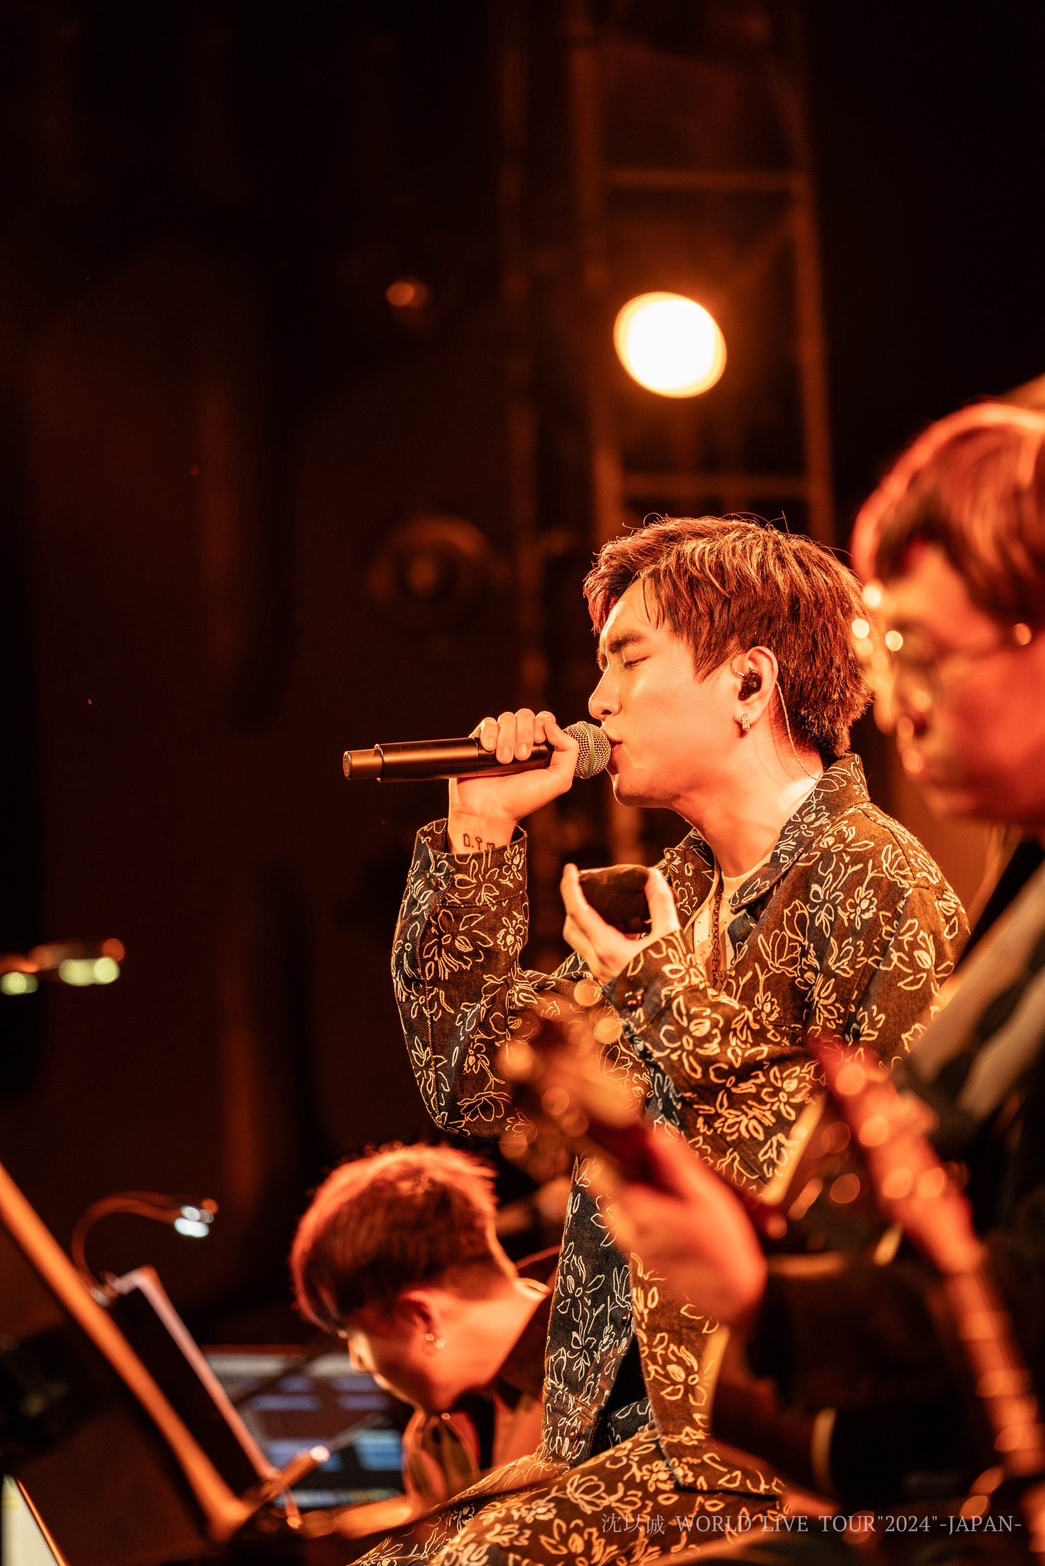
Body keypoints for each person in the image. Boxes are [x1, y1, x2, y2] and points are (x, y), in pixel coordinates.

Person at [387, 515, 966, 1564]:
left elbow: (876, 1207)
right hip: (611, 1439)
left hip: (754, 1451)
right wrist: (480, 833)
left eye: (628, 658)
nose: (597, 700)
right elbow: (468, 1081)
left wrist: (658, 992)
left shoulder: (876, 881)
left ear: (748, 684)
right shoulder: (679, 893)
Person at [600, 399, 1045, 1555]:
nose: (895, 700)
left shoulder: (874, 876)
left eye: (924, 653)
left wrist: (765, 1300)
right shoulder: (1022, 886)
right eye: (884, 654)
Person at [290, 1144, 555, 1508]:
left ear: (421, 1316)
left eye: (354, 1335)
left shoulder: (619, 1355)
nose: (358, 1362)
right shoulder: (433, 1439)